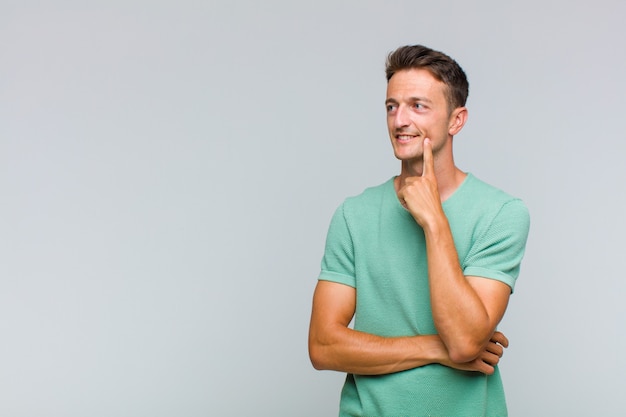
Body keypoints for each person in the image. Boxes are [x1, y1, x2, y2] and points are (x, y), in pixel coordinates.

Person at [308, 45, 530, 417]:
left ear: (456, 121)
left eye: (418, 106)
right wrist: (433, 348)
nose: (399, 120)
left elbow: (463, 342)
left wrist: (434, 220)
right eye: (392, 106)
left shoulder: (502, 214)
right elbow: (323, 346)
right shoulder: (353, 215)